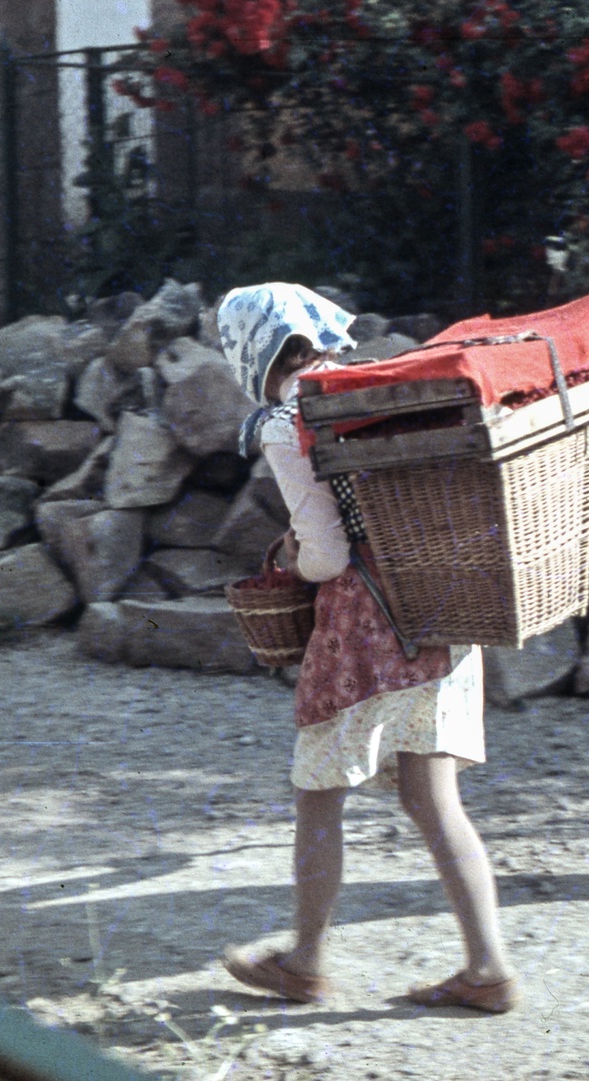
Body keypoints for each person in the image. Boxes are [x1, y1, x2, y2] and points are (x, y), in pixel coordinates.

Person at [216, 283, 519, 1012]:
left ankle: (306, 960)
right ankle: (488, 967)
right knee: (431, 795)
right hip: (443, 607)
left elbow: (325, 550)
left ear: (254, 354)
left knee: (317, 792)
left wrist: (293, 559)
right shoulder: (382, 384)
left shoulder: (292, 418)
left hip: (366, 627)